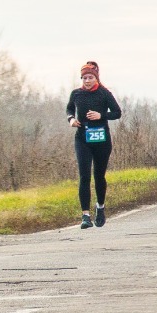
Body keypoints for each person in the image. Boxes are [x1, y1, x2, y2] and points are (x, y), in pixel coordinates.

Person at [66, 61, 123, 228]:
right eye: (84, 78)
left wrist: (101, 115)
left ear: (96, 78)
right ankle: (85, 216)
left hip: (101, 140)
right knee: (84, 176)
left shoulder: (104, 93)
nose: (87, 81)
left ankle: (100, 207)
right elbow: (69, 109)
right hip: (82, 138)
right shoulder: (76, 94)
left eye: (90, 77)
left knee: (99, 176)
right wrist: (71, 120)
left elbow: (117, 113)